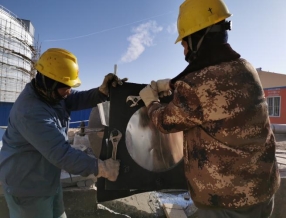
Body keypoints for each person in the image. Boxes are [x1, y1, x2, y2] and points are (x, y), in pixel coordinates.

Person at [139, 0, 280, 217]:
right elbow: (212, 91)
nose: (184, 49)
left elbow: (165, 122)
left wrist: (151, 101)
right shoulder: (245, 68)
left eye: (185, 43)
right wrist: (174, 84)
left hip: (228, 202)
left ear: (198, 38)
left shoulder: (195, 84)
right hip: (263, 192)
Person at [0, 48, 127, 218]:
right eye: (65, 87)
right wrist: (101, 168)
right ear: (49, 82)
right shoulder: (30, 112)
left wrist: (100, 93)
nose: (69, 91)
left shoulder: (51, 94)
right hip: (27, 188)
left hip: (46, 179)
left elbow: (74, 98)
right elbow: (61, 153)